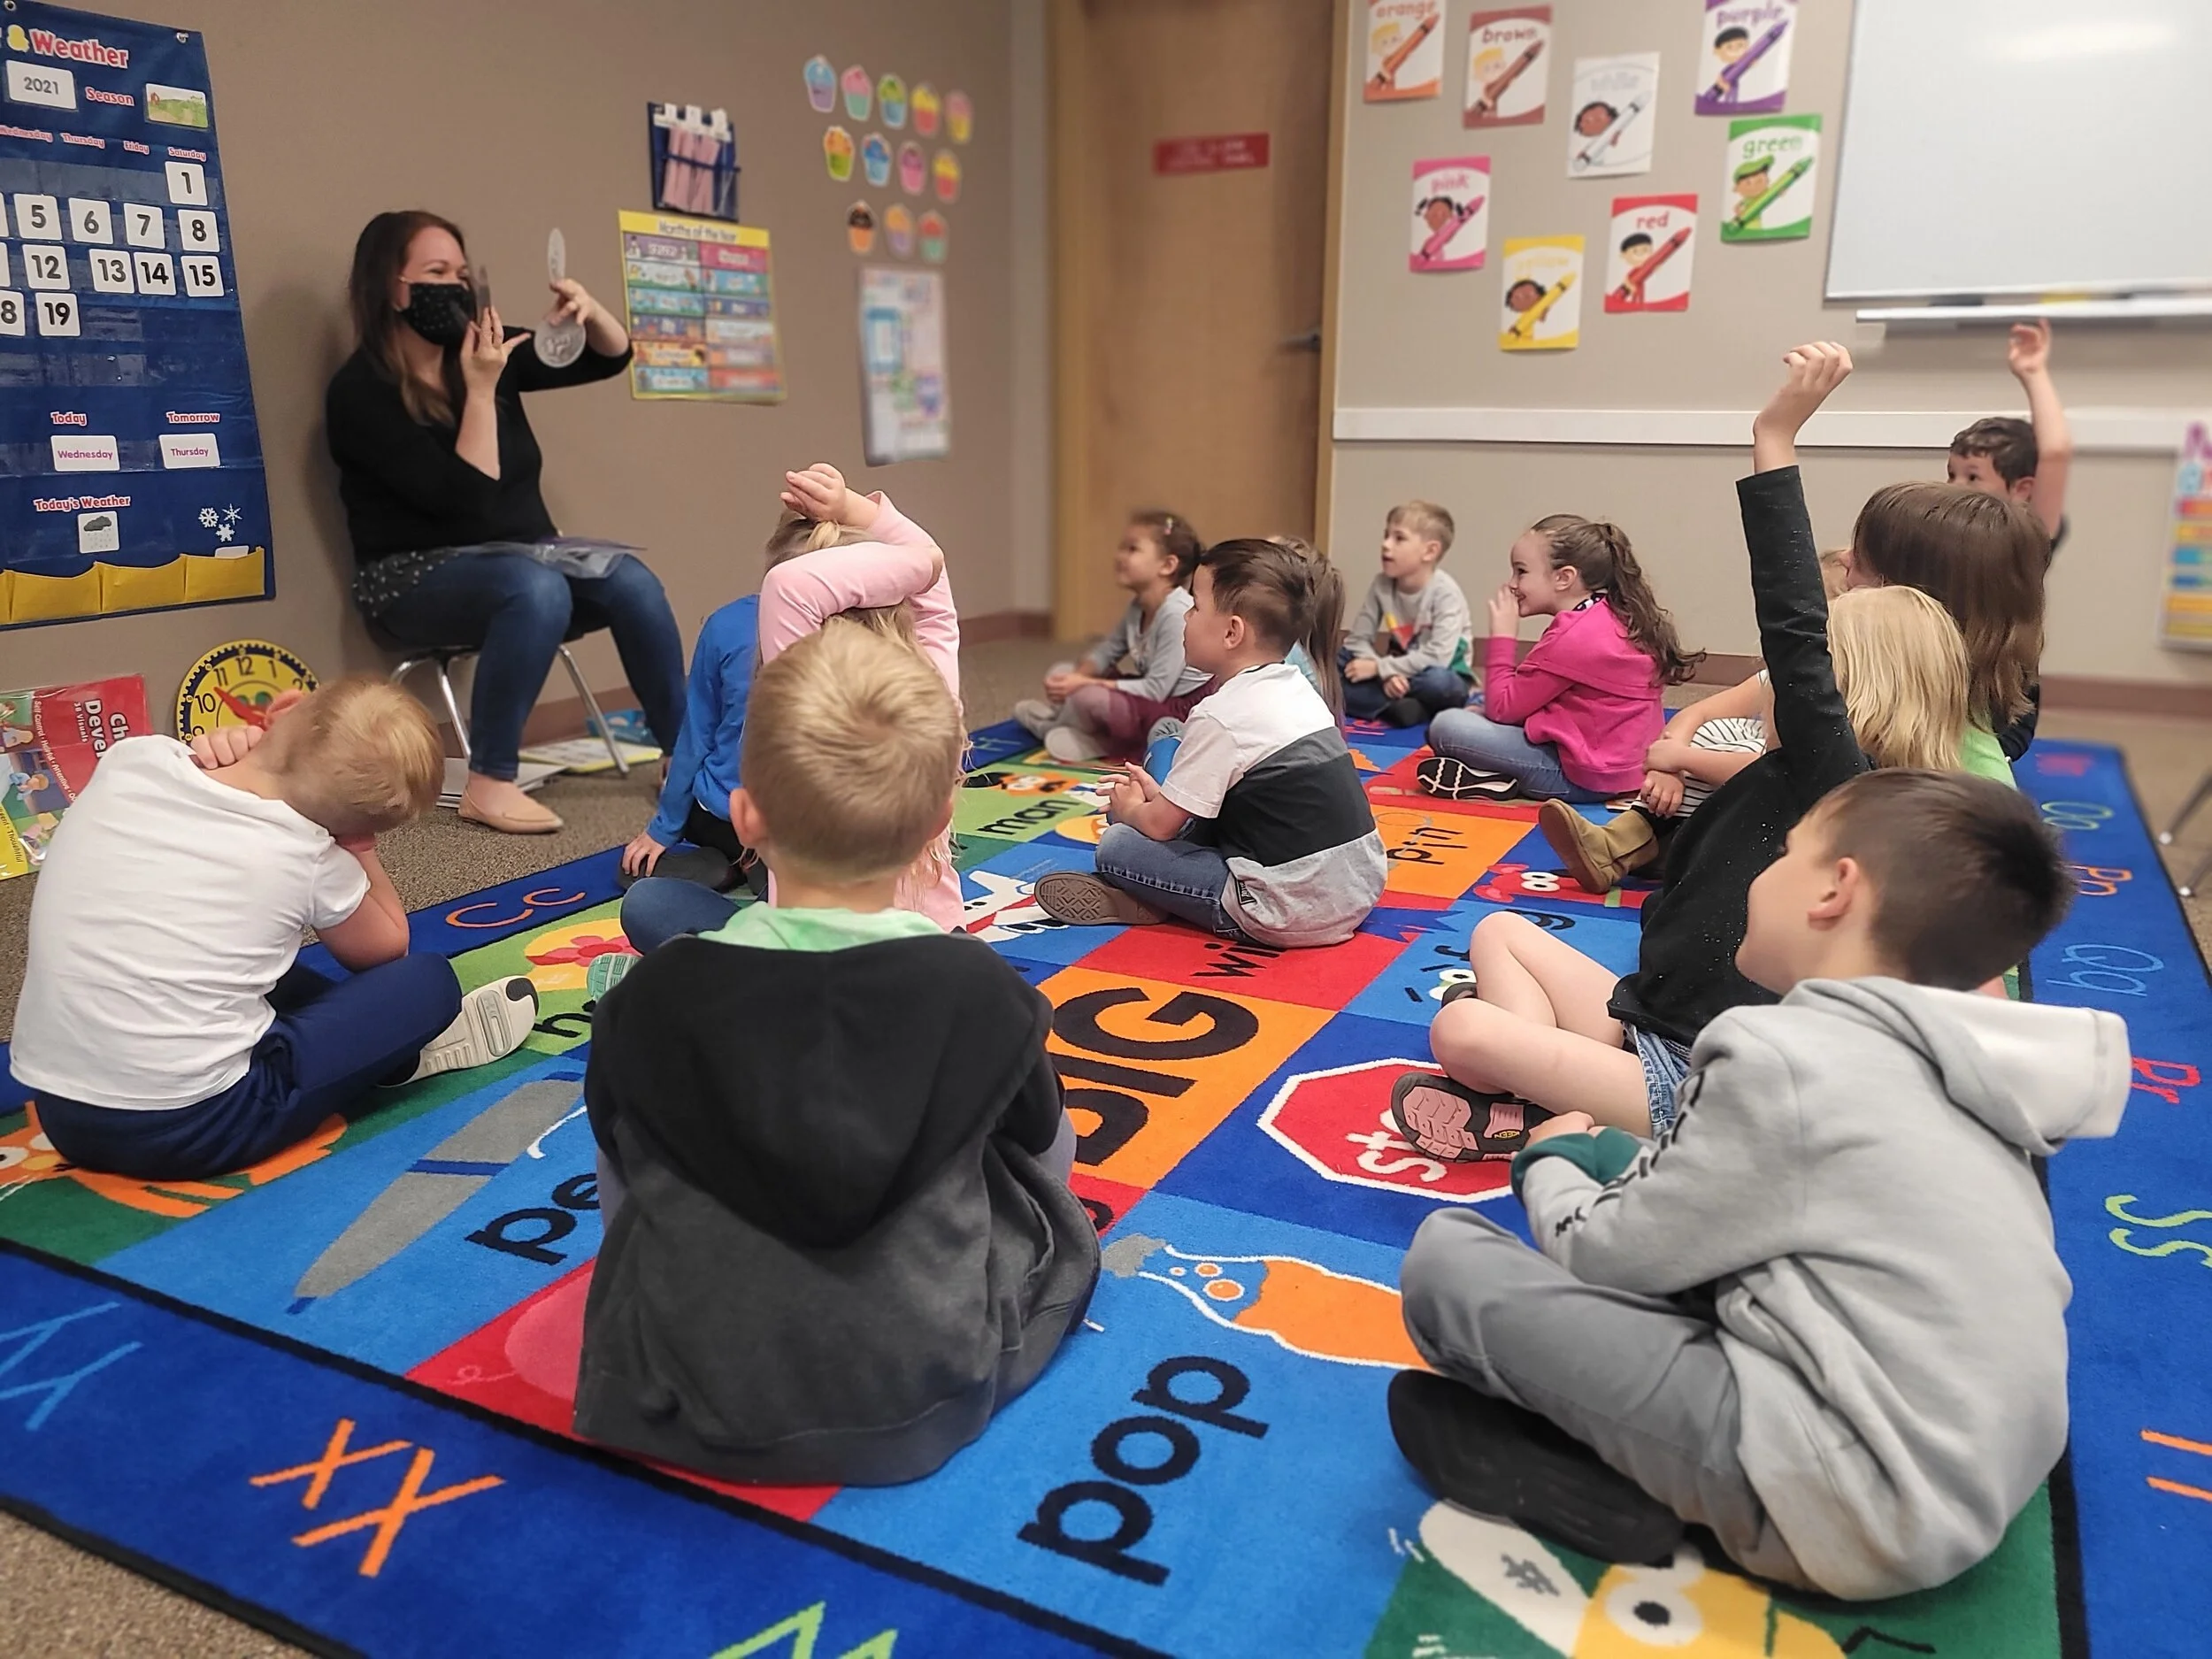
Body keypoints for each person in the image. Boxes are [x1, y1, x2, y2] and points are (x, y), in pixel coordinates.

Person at [1389, 768, 2125, 1597]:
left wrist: (1554, 1159)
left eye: (1786, 852)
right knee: (1668, 1228)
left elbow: (1604, 1254)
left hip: (1854, 1503)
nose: (1763, 871)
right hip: (1986, 1468)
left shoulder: (1784, 1057)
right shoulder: (1967, 1062)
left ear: (1834, 891)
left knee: (1449, 1263)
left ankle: (1622, 1485)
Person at [576, 626, 1097, 1486]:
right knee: (1027, 1155)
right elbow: (1047, 1154)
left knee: (633, 1128)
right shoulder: (975, 987)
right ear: (939, 821)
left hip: (678, 1388)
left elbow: (619, 1173)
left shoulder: (651, 995)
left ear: (745, 817)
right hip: (923, 1376)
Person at [1394, 343, 1870, 1147]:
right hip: (1644, 1019)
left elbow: (1791, 626)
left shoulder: (1838, 787)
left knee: (1463, 1033)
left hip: (1684, 1083)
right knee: (1499, 931)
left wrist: (1774, 436)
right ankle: (1538, 1084)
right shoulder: (1776, 770)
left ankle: (1535, 1102)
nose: (1776, 683)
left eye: (1795, 679)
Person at [7, 681, 539, 1181]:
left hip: (62, 1115)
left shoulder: (133, 760)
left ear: (281, 709)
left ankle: (361, 1049)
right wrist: (359, 851)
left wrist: (234, 745)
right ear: (354, 830)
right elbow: (386, 948)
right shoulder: (306, 853)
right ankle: (395, 1060)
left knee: (246, 965)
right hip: (197, 1127)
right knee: (428, 982)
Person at [326, 209, 685, 835]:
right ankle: (489, 782)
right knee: (535, 586)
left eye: (462, 273)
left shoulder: (486, 352)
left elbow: (609, 356)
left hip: (522, 562)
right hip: (409, 580)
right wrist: (483, 389)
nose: (456, 287)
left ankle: (686, 757)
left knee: (631, 581)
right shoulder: (361, 392)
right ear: (390, 286)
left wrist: (588, 311)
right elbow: (468, 501)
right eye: (436, 272)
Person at [618, 464, 960, 950]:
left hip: (798, 959)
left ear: (749, 820)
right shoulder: (933, 699)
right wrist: (914, 550)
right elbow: (929, 584)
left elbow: (788, 586)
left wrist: (849, 513)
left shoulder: (795, 719)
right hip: (935, 945)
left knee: (649, 905)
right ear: (939, 817)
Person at [1033, 538, 1384, 946]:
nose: (1185, 617)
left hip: (1283, 910)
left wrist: (1133, 810)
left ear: (1233, 632)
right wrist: (1160, 799)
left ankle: (1156, 900)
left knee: (1118, 843)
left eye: (1195, 606)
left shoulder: (1221, 715)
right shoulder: (1300, 691)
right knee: (1164, 798)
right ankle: (1156, 897)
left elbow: (1162, 828)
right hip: (1358, 890)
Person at [1538, 583, 1970, 893]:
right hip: (1710, 815)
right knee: (1721, 732)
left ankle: (1635, 847)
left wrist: (1681, 758)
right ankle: (1630, 843)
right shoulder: (1790, 692)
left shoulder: (1845, 754)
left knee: (1734, 746)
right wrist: (1668, 762)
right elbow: (1701, 711)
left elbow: (1768, 768)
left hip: (1761, 846)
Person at [1420, 516, 1701, 803]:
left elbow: (1502, 709)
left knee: (1447, 726)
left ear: (1564, 577)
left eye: (1521, 572)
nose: (1512, 584)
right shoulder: (1611, 613)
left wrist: (1502, 636)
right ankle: (1492, 777)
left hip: (1585, 778)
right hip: (1621, 763)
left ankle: (1505, 777)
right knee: (1479, 702)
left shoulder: (1573, 636)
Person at [1014, 511, 1210, 762]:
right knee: (1062, 671)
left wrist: (1083, 685)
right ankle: (1078, 731)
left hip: (1173, 709)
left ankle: (1070, 731)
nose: (1119, 556)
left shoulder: (1176, 614)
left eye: (1132, 549)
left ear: (1167, 565)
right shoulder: (1138, 606)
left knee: (1087, 695)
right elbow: (1106, 652)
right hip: (1149, 695)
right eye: (1121, 548)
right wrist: (1076, 677)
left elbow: (1155, 690)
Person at [1340, 501, 1474, 727]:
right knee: (1338, 661)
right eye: (1386, 535)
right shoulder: (1381, 584)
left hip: (1438, 675)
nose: (1385, 545)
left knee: (1439, 683)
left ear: (1430, 551)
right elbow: (1357, 640)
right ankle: (1400, 708)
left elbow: (1438, 657)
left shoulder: (1446, 593)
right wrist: (1388, 674)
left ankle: (1382, 703)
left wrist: (1379, 668)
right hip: (1398, 672)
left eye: (1398, 538)